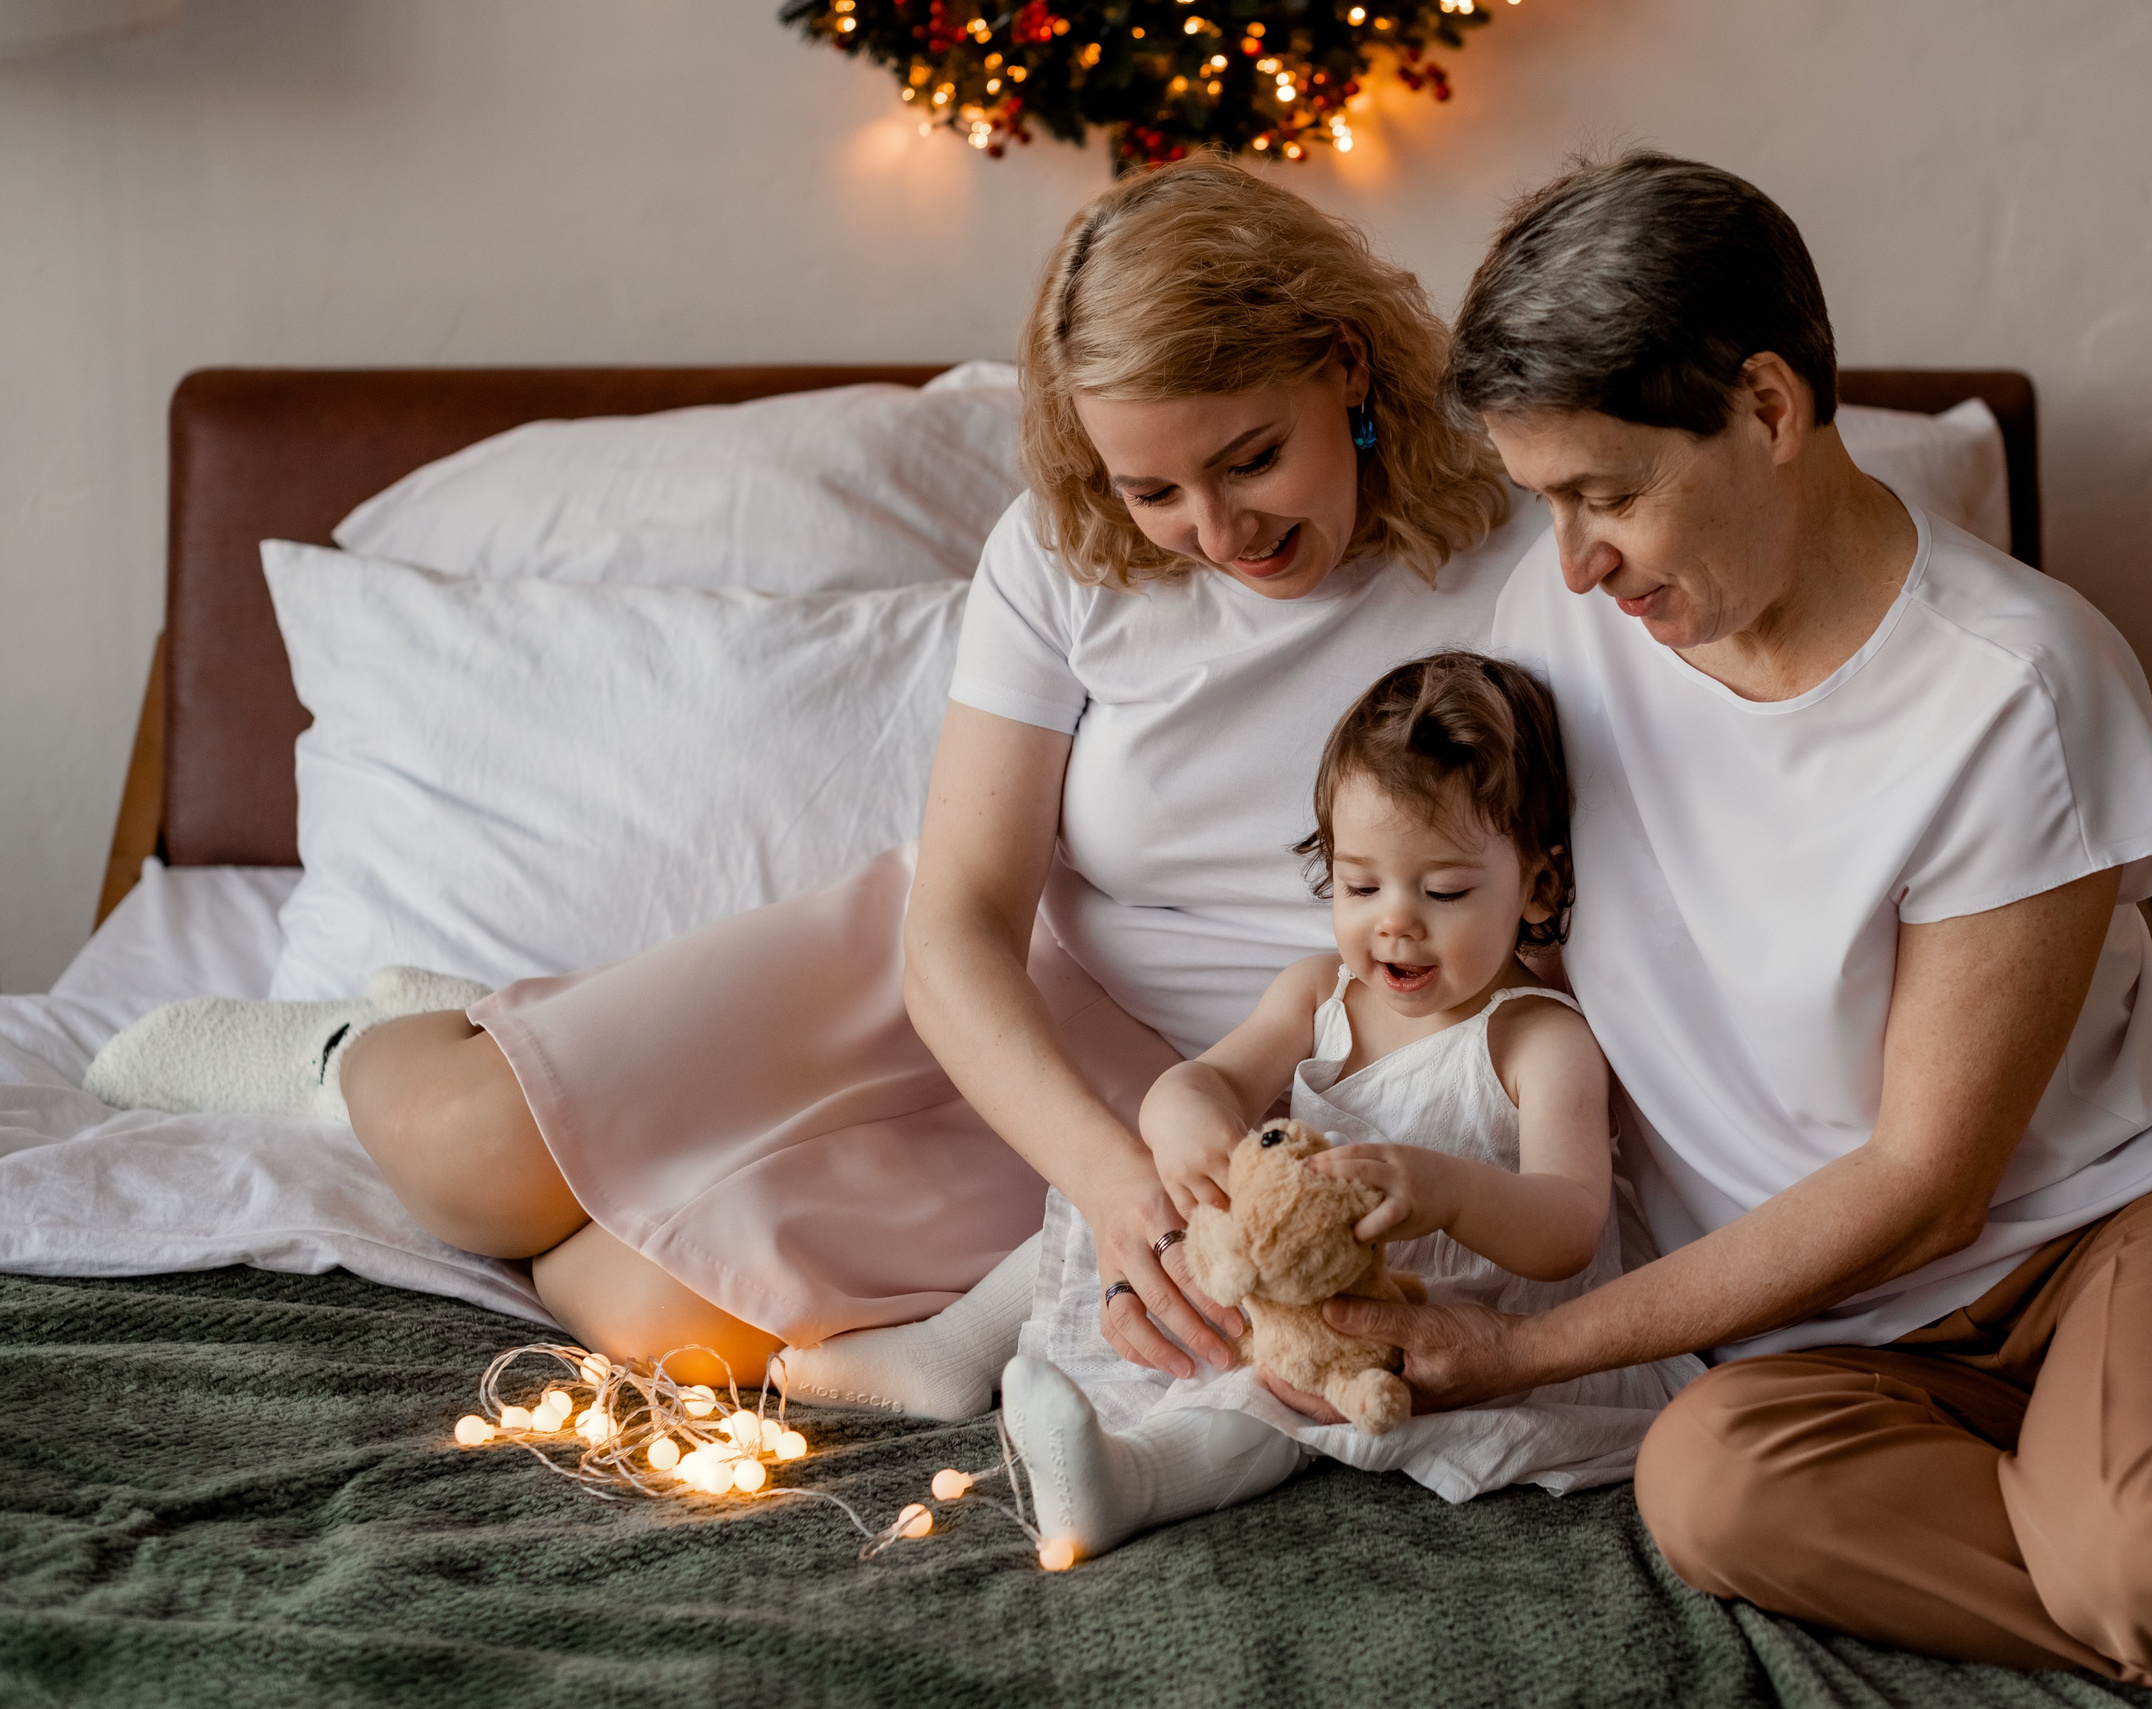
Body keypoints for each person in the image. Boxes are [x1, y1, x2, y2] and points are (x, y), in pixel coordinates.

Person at [1270, 152, 2152, 1707]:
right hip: (1842, 1347)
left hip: (2116, 1230)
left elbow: (1926, 1183)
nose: (1575, 558)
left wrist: (1525, 1354)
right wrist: (1291, 1175)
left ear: (1766, 407)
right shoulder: (1569, 626)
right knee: (1713, 1486)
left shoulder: (2009, 683)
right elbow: (1461, 926)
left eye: (1609, 494)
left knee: (2148, 1542)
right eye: (1547, 502)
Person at [85, 156, 1544, 1400]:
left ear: (1345, 365)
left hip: (1246, 1094)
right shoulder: (1064, 551)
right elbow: (965, 916)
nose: (1212, 528)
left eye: (1249, 459)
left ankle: (542, 1062)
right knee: (470, 1160)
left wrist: (1164, 1181)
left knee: (667, 1328)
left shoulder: (1513, 559)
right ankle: (366, 1043)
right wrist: (1104, 1184)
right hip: (987, 986)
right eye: (1150, 488)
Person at [999, 651, 1699, 1561]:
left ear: (1536, 885)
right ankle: (952, 1348)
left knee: (1262, 1406)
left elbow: (1569, 1223)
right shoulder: (1315, 995)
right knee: (1113, 1213)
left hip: (1442, 1327)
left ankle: (1129, 1480)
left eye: (1443, 891)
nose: (1393, 922)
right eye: (1361, 884)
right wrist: (1186, 1118)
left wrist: (1445, 1191)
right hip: (1299, 1280)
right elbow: (1203, 1081)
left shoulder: (1537, 1039)